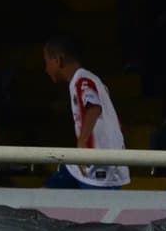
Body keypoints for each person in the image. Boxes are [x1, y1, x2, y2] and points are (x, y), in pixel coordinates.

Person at [42, 36, 130, 189]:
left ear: (58, 60)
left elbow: (94, 108)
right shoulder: (89, 80)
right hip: (87, 162)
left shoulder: (82, 79)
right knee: (47, 193)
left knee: (97, 204)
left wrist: (82, 143)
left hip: (99, 165)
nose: (46, 68)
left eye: (46, 61)